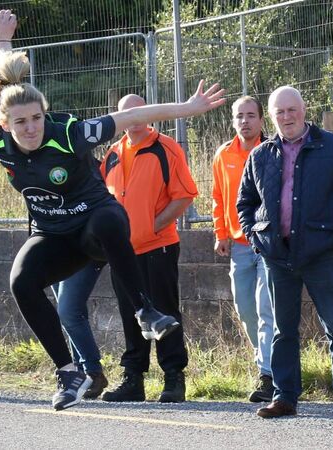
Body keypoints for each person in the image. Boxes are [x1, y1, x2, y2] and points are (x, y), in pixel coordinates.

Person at [0, 9, 224, 410]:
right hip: (55, 235)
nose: (31, 128)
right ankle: (69, 371)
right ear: (7, 126)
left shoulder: (69, 133)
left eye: (37, 118)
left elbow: (132, 115)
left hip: (96, 226)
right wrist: (2, 41)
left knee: (110, 218)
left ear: (45, 115)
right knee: (21, 282)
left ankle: (145, 312)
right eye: (22, 122)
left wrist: (188, 107)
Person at [237, 86, 333, 418]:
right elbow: (246, 204)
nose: (286, 117)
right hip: (278, 257)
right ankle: (285, 397)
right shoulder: (261, 154)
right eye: (279, 112)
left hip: (320, 253)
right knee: (283, 329)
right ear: (271, 116)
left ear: (304, 109)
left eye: (291, 110)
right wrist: (257, 241)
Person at [99, 94, 198, 404]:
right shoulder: (112, 153)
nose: (134, 117)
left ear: (150, 112)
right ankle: (133, 380)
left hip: (159, 247)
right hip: (122, 252)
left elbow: (184, 196)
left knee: (165, 313)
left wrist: (151, 225)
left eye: (140, 111)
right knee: (130, 313)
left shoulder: (166, 148)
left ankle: (173, 379)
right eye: (127, 113)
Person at [212, 95, 275, 403]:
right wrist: (220, 233)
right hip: (237, 244)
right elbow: (219, 197)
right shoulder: (223, 154)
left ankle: (268, 375)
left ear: (261, 120)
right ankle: (264, 358)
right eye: (240, 116)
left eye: (251, 115)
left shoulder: (273, 151)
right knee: (246, 310)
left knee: (266, 308)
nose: (245, 121)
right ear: (233, 120)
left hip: (267, 244)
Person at [51, 261, 108, 399]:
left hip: (82, 250)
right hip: (53, 250)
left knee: (68, 312)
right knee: (73, 312)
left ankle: (93, 371)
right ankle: (81, 374)